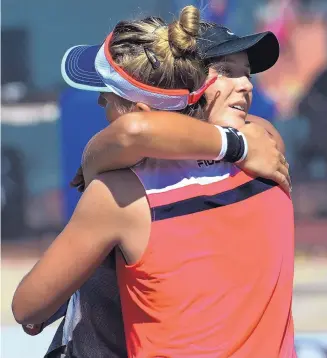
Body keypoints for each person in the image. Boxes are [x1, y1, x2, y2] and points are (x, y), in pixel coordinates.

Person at [13, 6, 295, 358]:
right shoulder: (266, 147)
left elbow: (26, 309)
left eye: (114, 97)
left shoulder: (122, 195)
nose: (247, 84)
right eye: (228, 71)